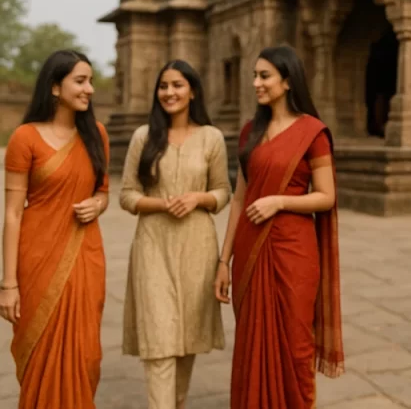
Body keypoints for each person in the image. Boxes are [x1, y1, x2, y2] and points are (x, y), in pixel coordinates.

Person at [214, 45, 344, 409]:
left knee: (295, 343)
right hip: (250, 251)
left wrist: (279, 201)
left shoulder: (312, 132)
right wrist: (224, 261)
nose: (256, 83)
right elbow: (239, 199)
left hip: (293, 252)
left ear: (287, 81)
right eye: (254, 76)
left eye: (264, 75)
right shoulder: (249, 133)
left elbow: (326, 196)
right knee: (253, 340)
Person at [119, 60, 231, 409]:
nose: (169, 92)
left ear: (193, 90)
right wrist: (161, 205)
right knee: (159, 337)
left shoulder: (211, 137)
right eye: (163, 86)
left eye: (178, 85)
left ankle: (175, 402)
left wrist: (199, 197)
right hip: (153, 245)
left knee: (187, 336)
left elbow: (224, 191)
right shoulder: (143, 137)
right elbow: (126, 194)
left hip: (198, 246)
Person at [1, 50, 110, 408]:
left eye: (91, 81)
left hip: (85, 255)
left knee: (85, 355)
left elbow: (103, 192)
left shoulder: (97, 134)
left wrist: (97, 204)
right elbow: (13, 214)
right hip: (37, 259)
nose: (89, 89)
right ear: (54, 87)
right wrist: (8, 284)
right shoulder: (25, 138)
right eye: (80, 81)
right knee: (40, 354)